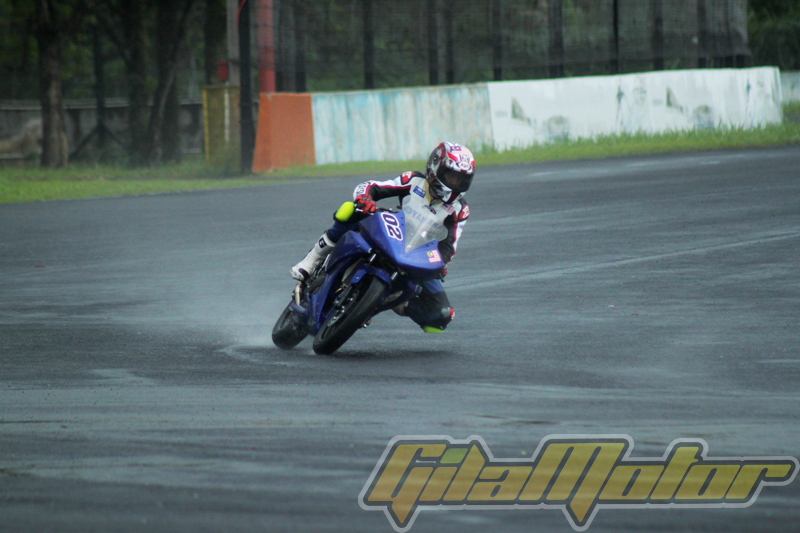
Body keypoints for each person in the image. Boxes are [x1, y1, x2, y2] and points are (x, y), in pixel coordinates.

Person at [290, 141, 474, 333]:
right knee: (351, 210)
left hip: (417, 254)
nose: (456, 183)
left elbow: (449, 246)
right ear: (435, 167)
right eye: (451, 176)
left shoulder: (460, 209)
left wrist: (439, 264)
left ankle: (386, 302)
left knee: (442, 314)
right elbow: (373, 186)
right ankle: (313, 258)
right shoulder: (413, 180)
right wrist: (365, 199)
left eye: (461, 179)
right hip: (392, 230)